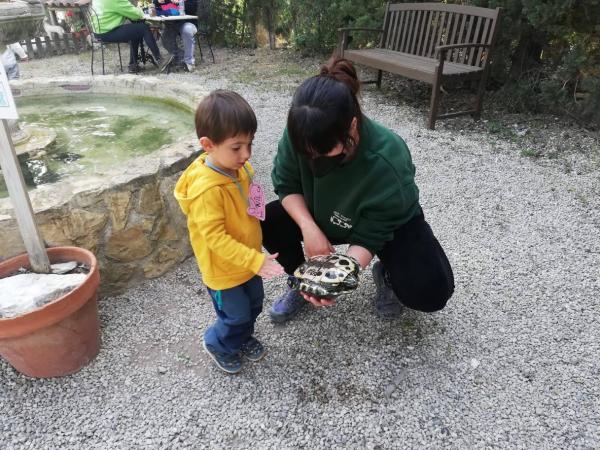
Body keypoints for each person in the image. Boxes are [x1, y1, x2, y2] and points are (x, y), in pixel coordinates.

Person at [261, 57, 455, 323]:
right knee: (266, 219)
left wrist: (341, 276)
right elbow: (286, 183)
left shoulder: (388, 158)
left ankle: (387, 274)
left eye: (324, 153)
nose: (313, 160)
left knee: (430, 292)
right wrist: (309, 228)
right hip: (325, 212)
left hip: (388, 224)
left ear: (352, 126)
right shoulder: (303, 131)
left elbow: (374, 230)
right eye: (306, 153)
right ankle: (302, 279)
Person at [174, 90, 284, 374]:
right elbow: (215, 238)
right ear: (208, 145)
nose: (246, 155)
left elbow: (251, 192)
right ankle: (218, 343)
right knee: (234, 316)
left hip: (248, 261)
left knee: (255, 306)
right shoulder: (206, 192)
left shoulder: (240, 167)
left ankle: (242, 337)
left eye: (249, 144)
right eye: (237, 147)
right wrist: (255, 260)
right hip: (223, 271)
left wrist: (258, 212)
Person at [90, 0, 173, 73]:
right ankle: (160, 60)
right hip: (108, 32)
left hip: (99, 31)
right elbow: (136, 14)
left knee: (135, 30)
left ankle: (133, 65)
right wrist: (140, 9)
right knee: (143, 28)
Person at [153, 0, 197, 72]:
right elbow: (156, 3)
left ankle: (189, 62)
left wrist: (180, 2)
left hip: (187, 22)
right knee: (165, 40)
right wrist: (158, 1)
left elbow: (193, 7)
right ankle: (181, 57)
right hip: (172, 23)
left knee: (187, 31)